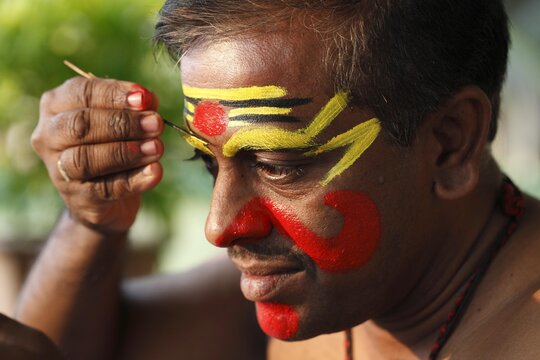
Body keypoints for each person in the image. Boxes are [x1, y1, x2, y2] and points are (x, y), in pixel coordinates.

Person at [15, 0, 540, 359]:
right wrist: (92, 223)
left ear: (450, 142)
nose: (219, 227)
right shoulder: (325, 291)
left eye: (278, 166)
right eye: (207, 163)